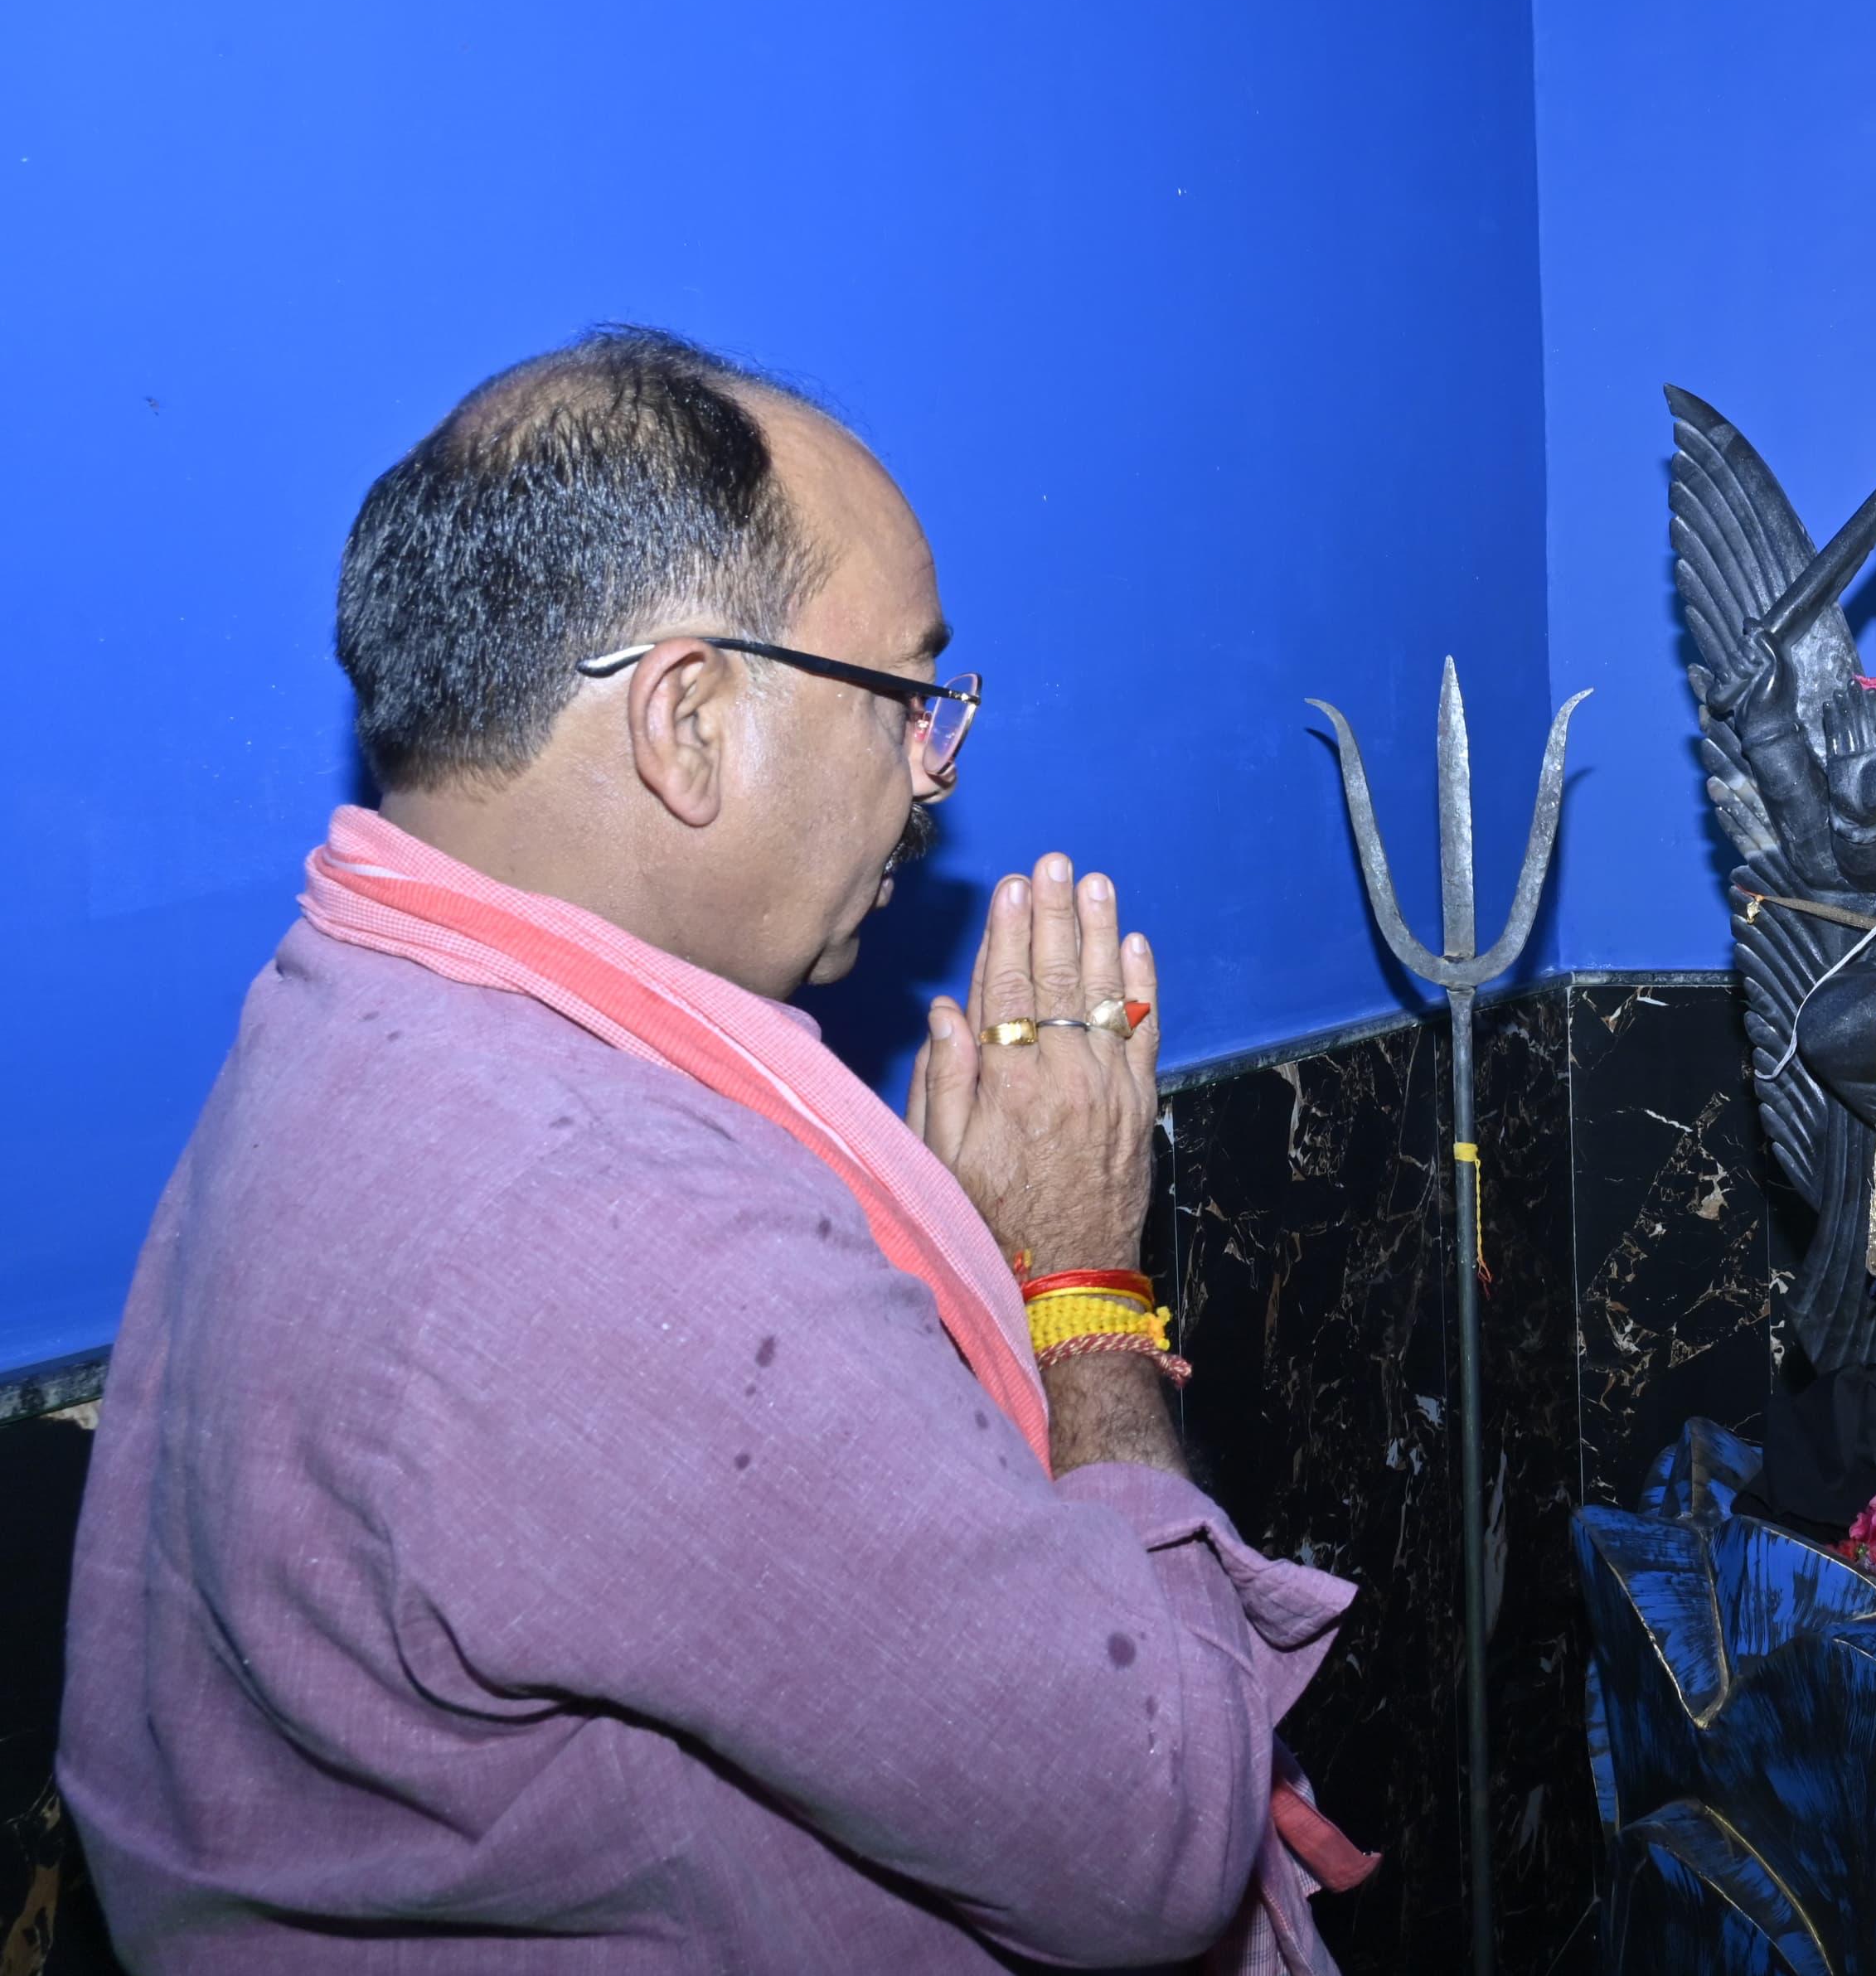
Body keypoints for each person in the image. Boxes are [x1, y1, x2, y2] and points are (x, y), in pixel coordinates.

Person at [58, 329, 1360, 1971]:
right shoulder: (605, 1216)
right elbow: (1150, 1833)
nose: (931, 778)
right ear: (686, 719)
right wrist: (1079, 1288)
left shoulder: (349, 1009)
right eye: (907, 698)